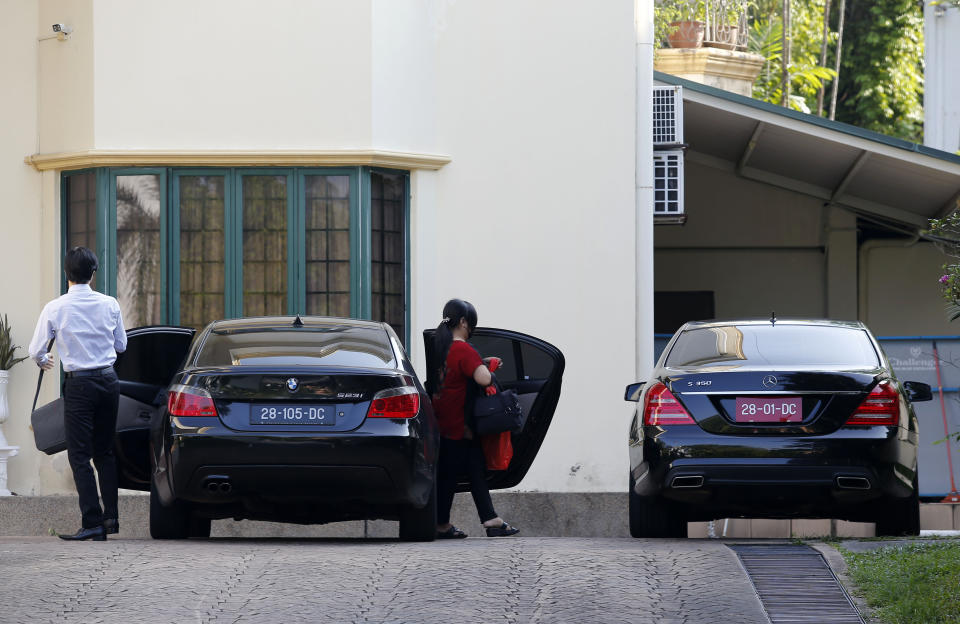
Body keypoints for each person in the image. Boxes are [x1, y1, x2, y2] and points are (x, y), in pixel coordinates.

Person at [28, 247, 127, 541]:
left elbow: (36, 350)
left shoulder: (55, 307)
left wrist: (44, 360)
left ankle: (92, 521)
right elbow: (121, 345)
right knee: (105, 452)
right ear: (93, 273)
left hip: (79, 385)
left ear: (66, 274)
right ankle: (111, 520)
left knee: (80, 455)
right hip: (109, 381)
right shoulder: (110, 304)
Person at [428, 298, 519, 539]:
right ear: (464, 322)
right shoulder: (463, 349)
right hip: (461, 424)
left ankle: (488, 520)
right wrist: (488, 367)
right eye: (471, 324)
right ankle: (446, 524)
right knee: (452, 474)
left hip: (444, 421)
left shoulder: (440, 348)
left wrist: (480, 364)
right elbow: (483, 379)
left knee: (469, 469)